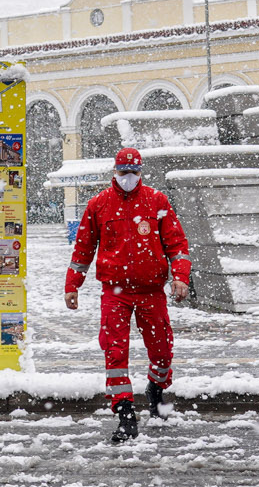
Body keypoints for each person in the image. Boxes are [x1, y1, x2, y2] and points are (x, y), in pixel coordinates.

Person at [64, 147, 192, 444]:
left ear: (141, 172)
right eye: (123, 172)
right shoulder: (98, 205)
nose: (128, 178)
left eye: (134, 173)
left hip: (151, 292)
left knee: (162, 351)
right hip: (115, 293)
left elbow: (176, 244)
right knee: (115, 354)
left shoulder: (157, 201)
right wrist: (73, 284)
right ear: (115, 172)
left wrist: (181, 278)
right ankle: (125, 413)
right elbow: (83, 250)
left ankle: (156, 389)